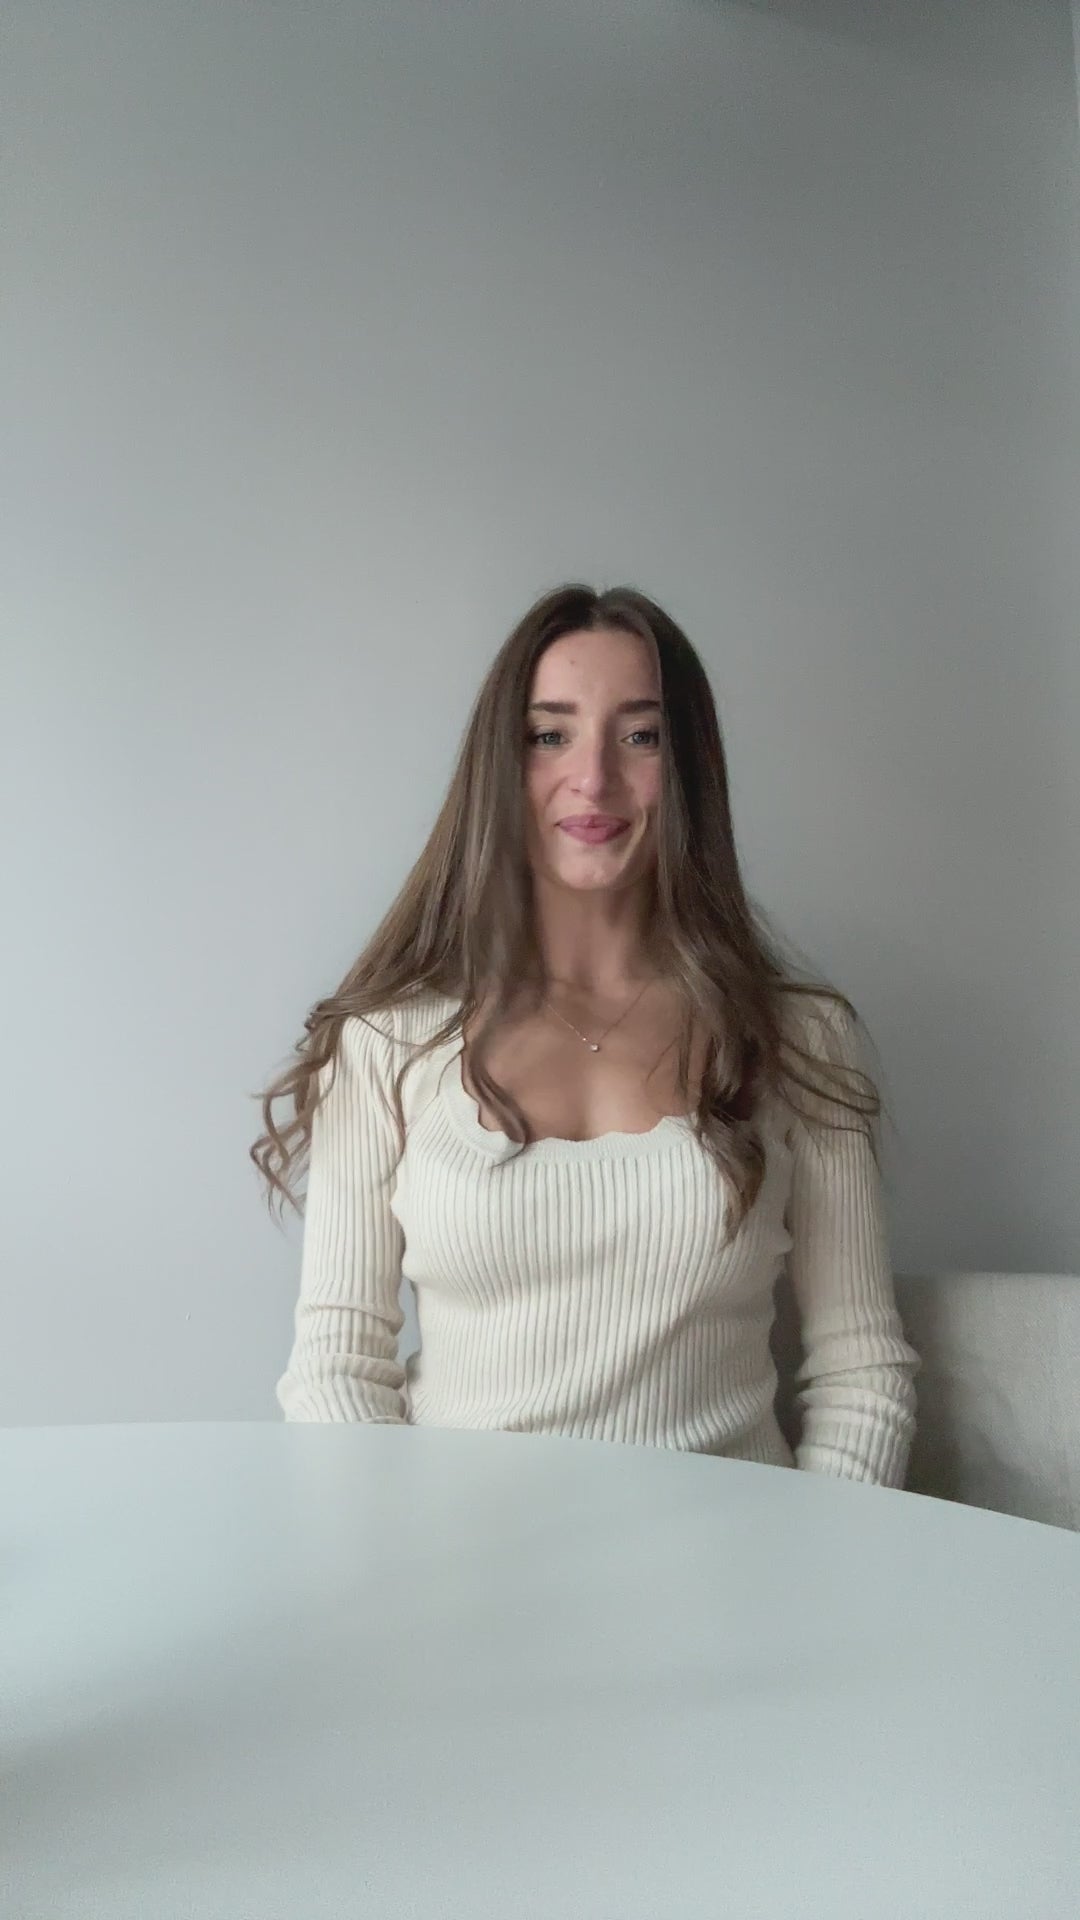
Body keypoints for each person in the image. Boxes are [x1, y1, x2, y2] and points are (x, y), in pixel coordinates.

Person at [252, 583, 919, 1484]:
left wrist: (818, 1553)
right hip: (458, 1558)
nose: (594, 778)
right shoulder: (385, 1041)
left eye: (640, 736)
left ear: (688, 769)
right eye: (549, 735)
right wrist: (400, 1555)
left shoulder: (801, 1037)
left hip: (737, 1561)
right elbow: (337, 1370)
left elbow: (861, 1373)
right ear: (500, 765)